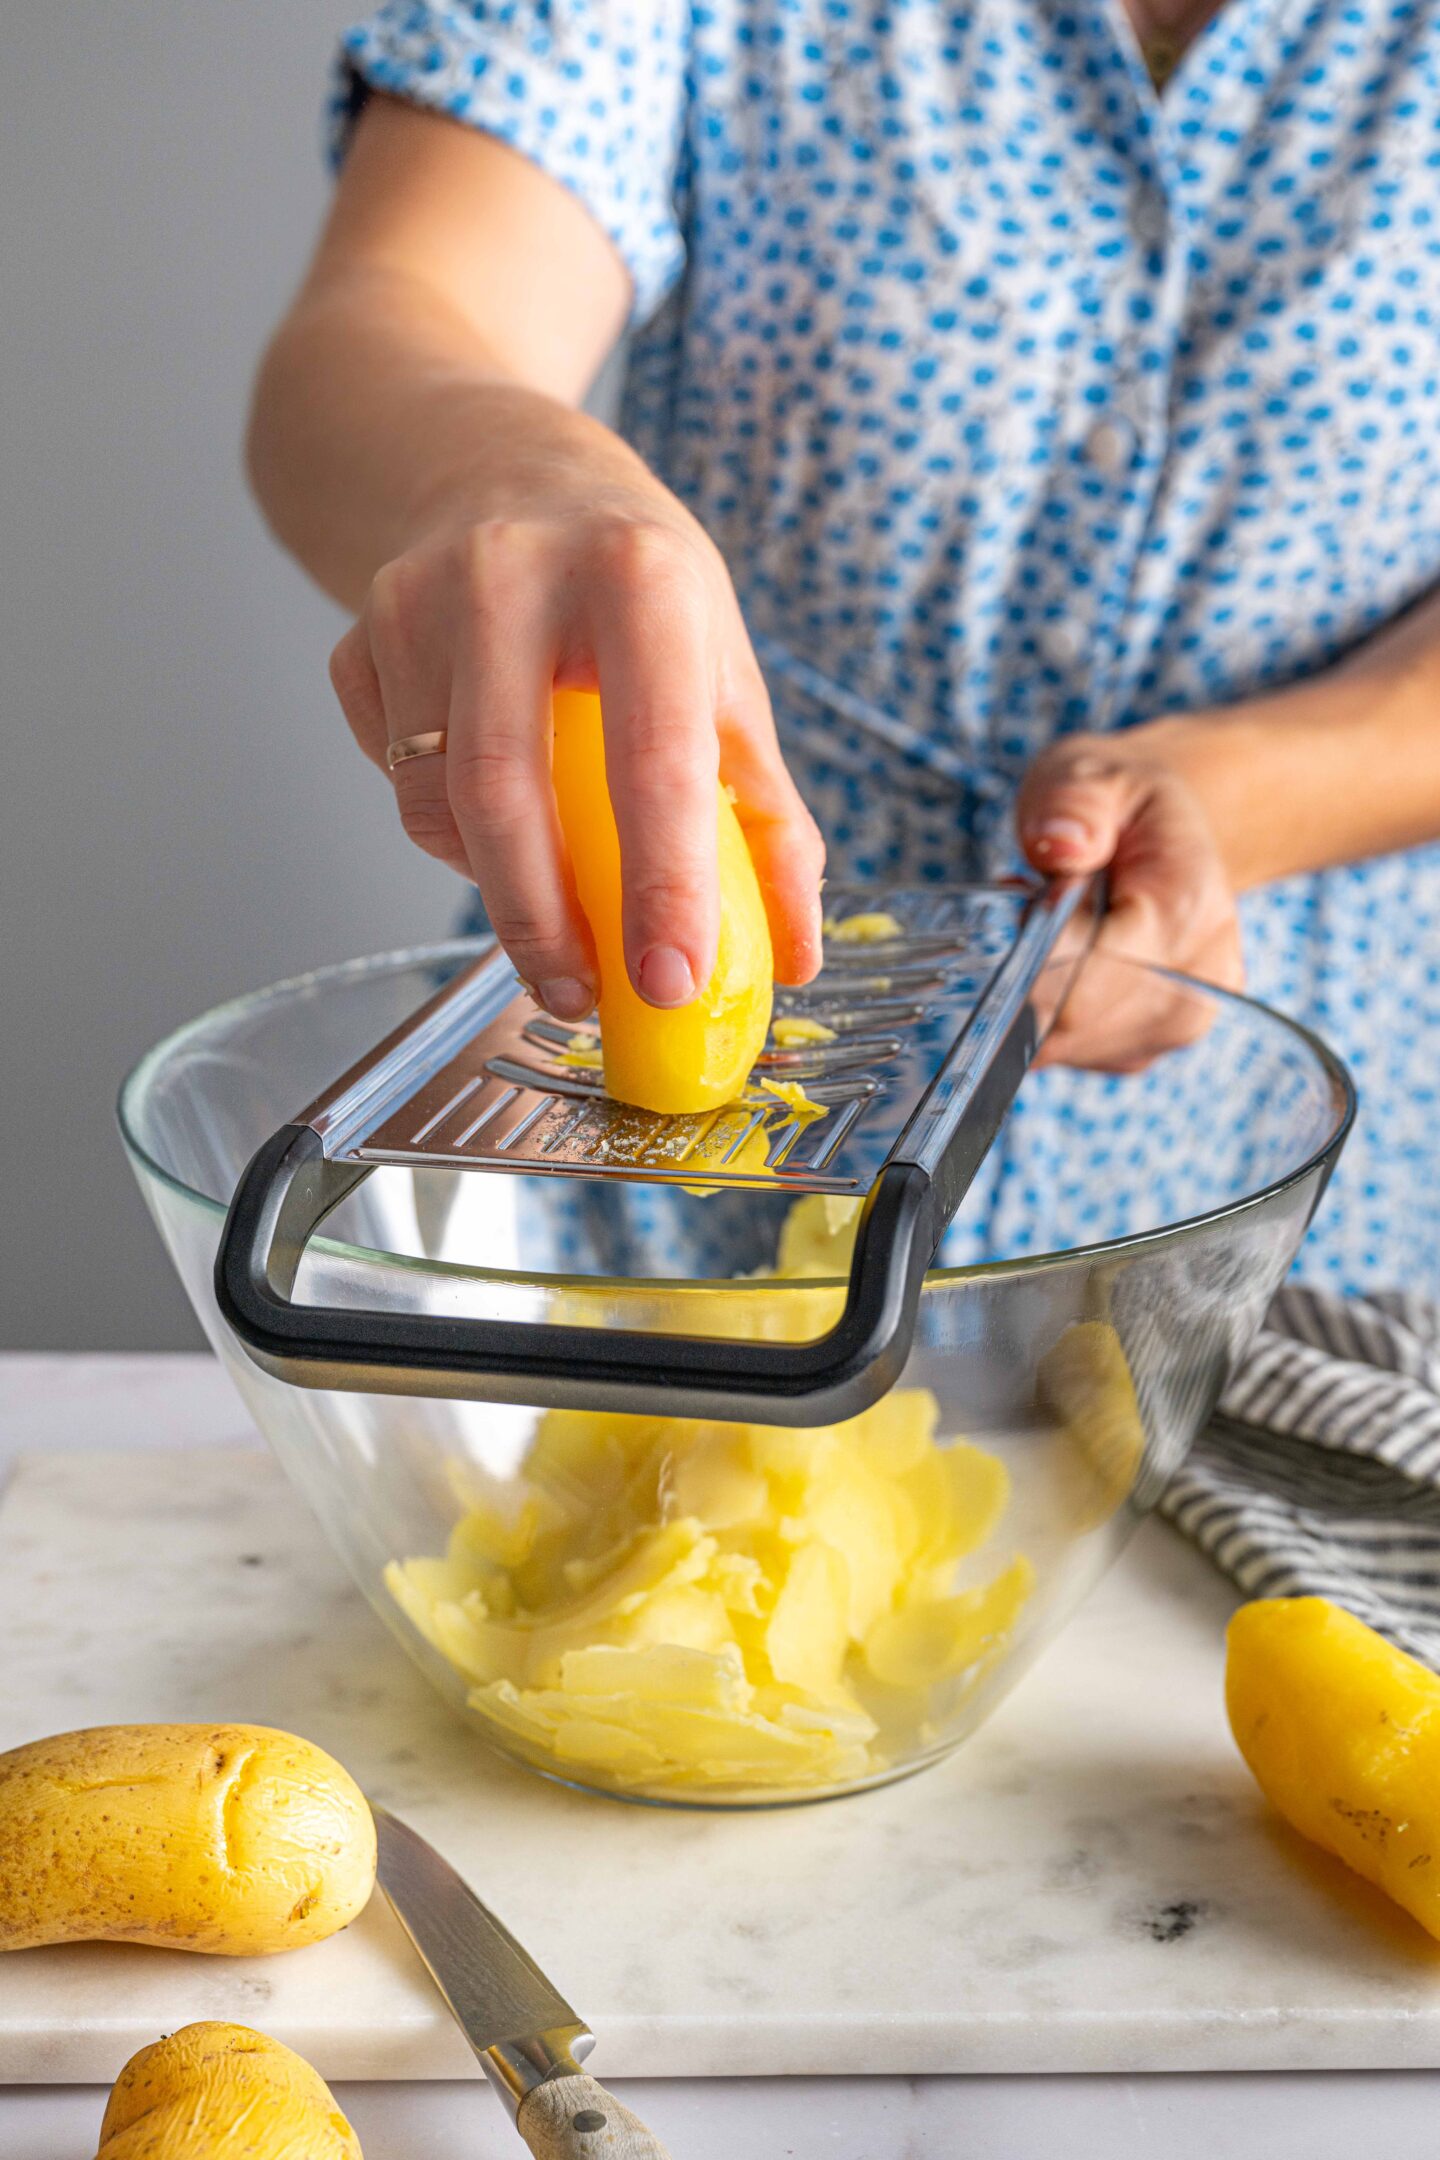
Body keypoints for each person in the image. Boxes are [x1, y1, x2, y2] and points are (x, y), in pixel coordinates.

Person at [247, 0, 1440, 1291]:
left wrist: (1247, 793)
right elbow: (394, 317)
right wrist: (512, 479)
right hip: (646, 1213)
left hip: (1262, 1216)